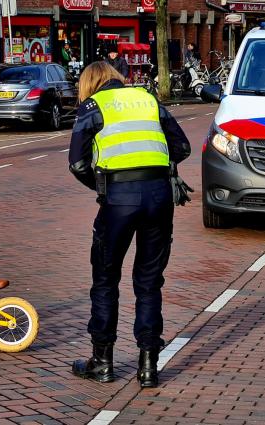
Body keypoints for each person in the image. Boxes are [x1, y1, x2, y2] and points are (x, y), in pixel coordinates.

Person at [69, 62, 191, 388]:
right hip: (159, 196)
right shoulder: (149, 99)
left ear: (89, 84)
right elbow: (182, 147)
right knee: (149, 282)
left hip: (119, 199)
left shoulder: (93, 106)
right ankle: (149, 366)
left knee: (106, 279)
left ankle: (102, 362)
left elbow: (77, 162)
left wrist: (102, 187)